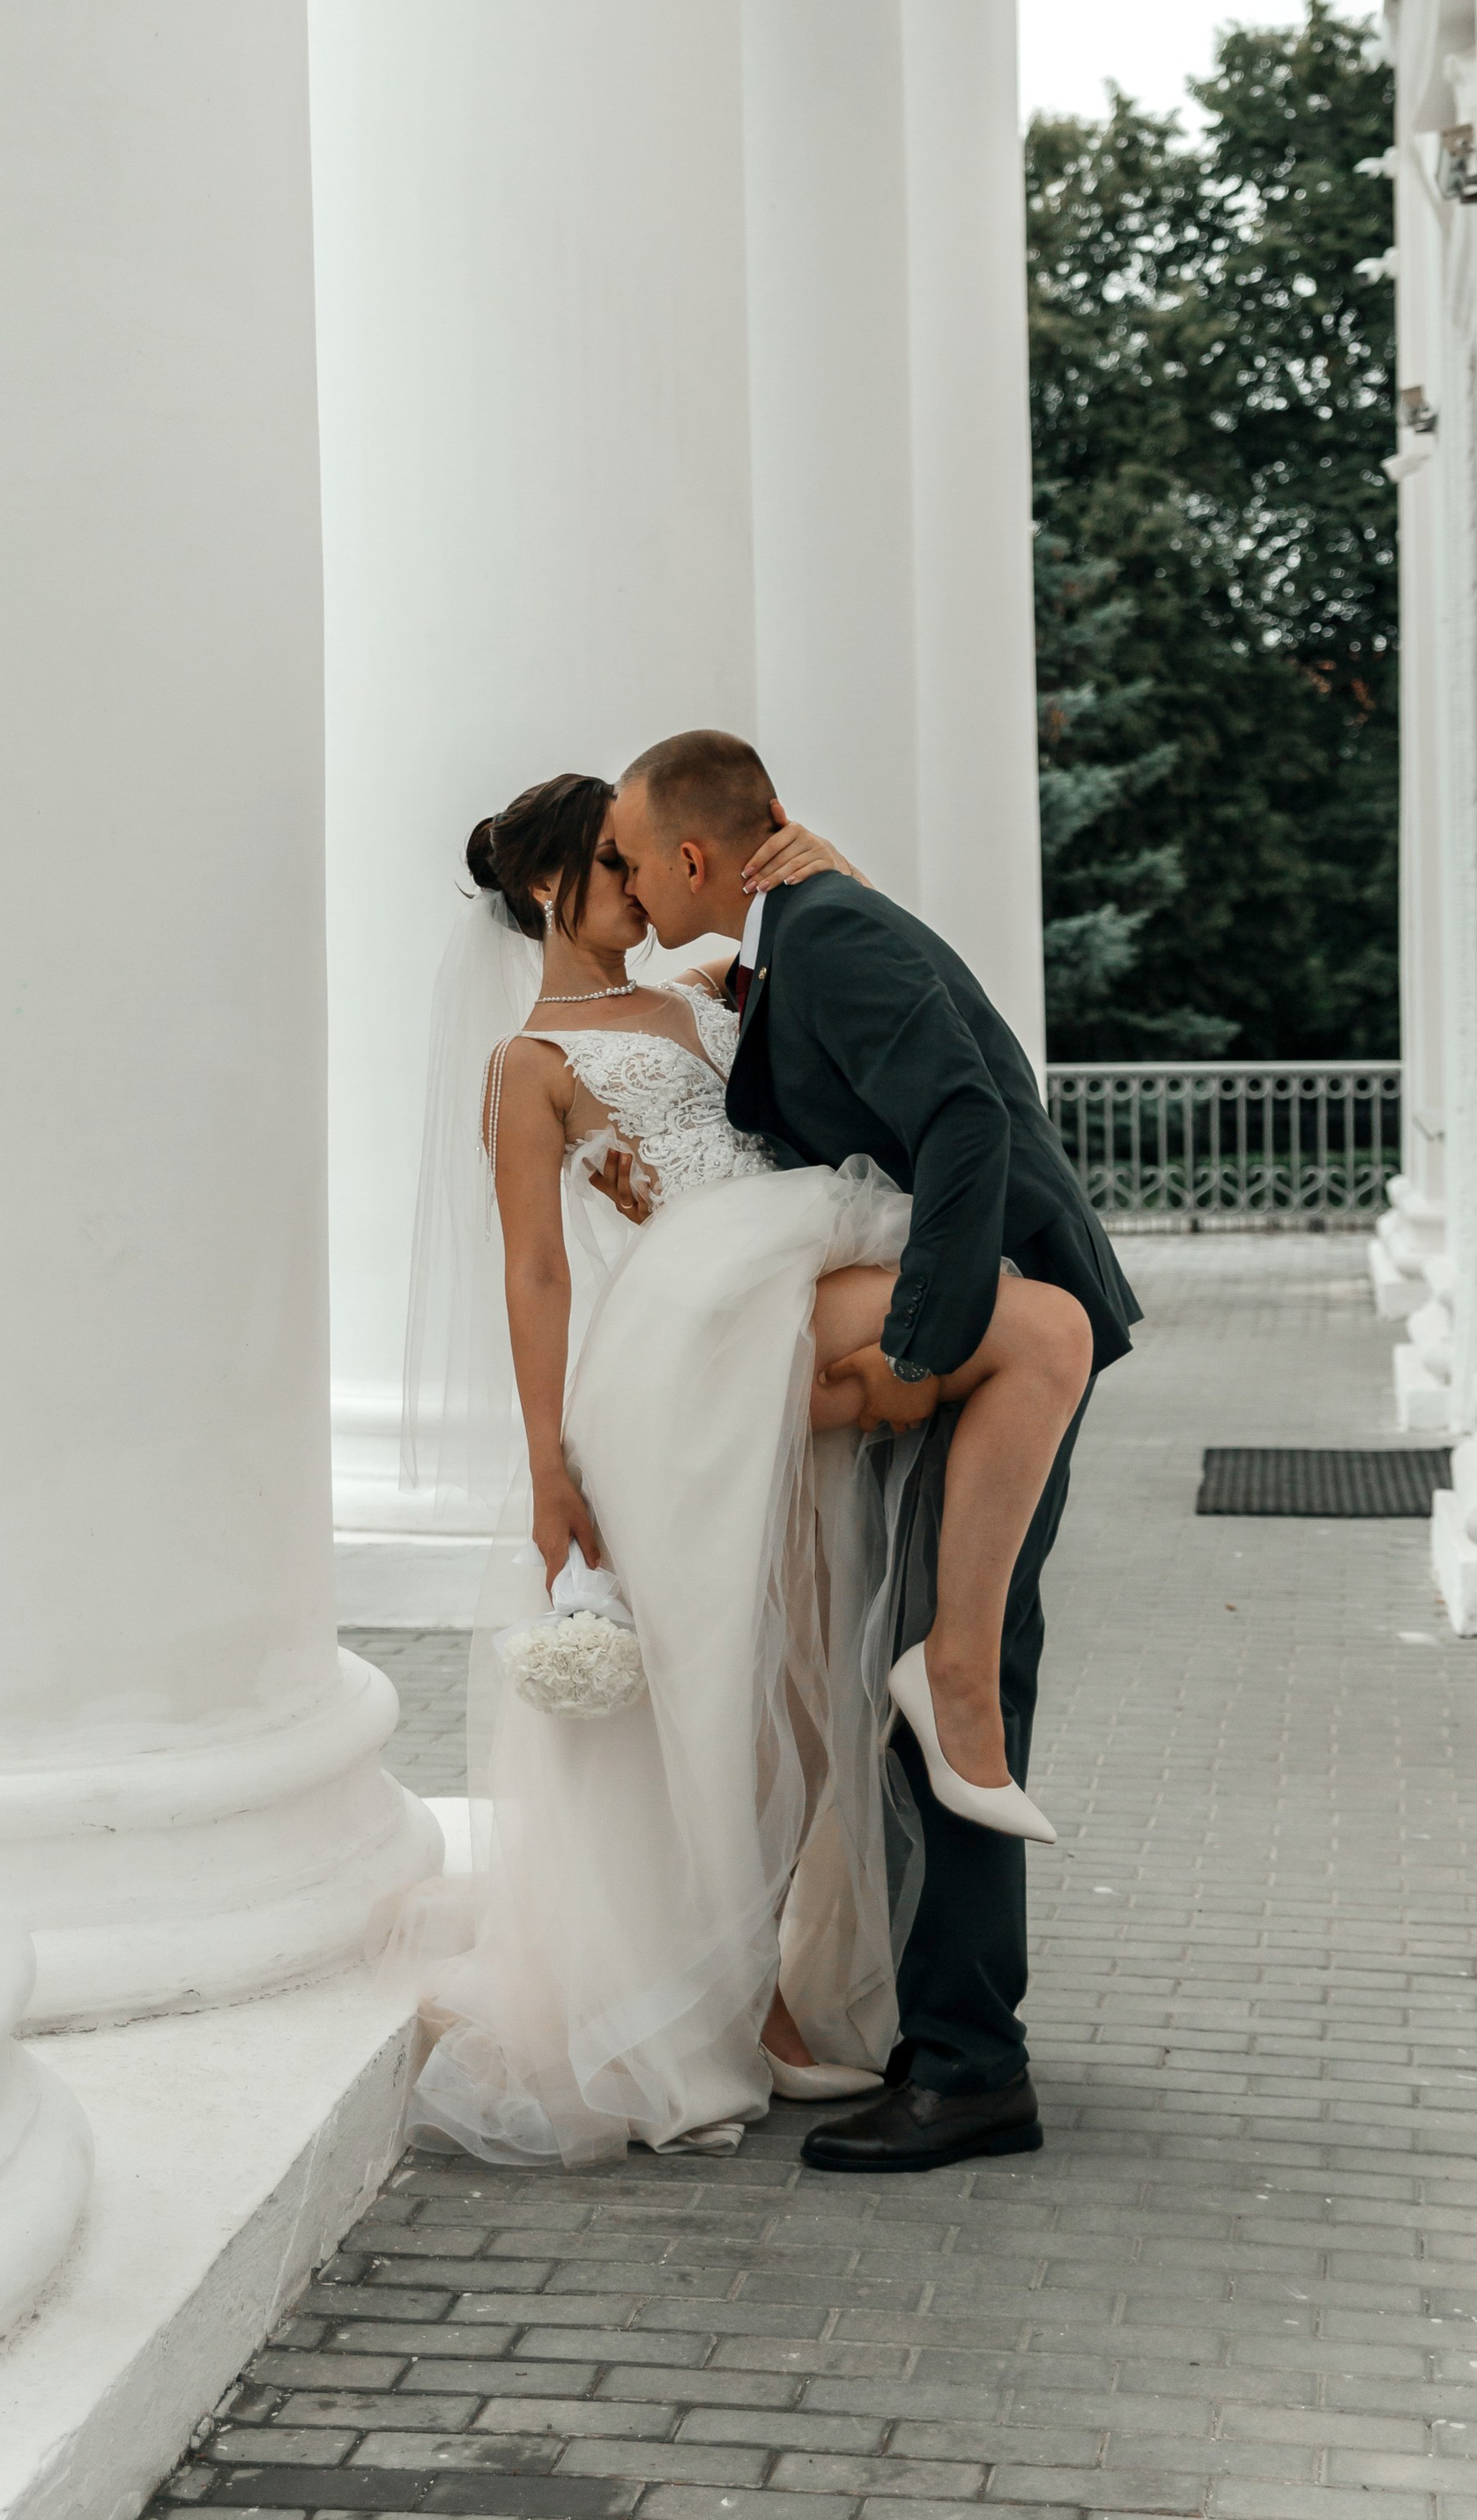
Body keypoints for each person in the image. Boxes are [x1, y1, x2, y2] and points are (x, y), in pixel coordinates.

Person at [393, 771, 1090, 2168]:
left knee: (805, 1694)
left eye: (641, 861)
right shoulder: (529, 1063)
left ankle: (774, 1998)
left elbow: (836, 979)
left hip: (779, 1314)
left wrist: (836, 882)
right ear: (546, 890)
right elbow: (536, 1269)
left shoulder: (712, 985)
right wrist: (546, 1468)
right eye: (608, 865)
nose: (637, 888)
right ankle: (712, 1992)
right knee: (734, 1689)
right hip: (693, 1341)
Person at [609, 727, 1140, 2176]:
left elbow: (968, 1117)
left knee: (956, 1675)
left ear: (699, 856)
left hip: (1001, 1327)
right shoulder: (810, 934)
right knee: (924, 1663)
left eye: (636, 858)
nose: (632, 884)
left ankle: (972, 2068)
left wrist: (920, 1341)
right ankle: (947, 2037)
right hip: (983, 1318)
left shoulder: (829, 931)